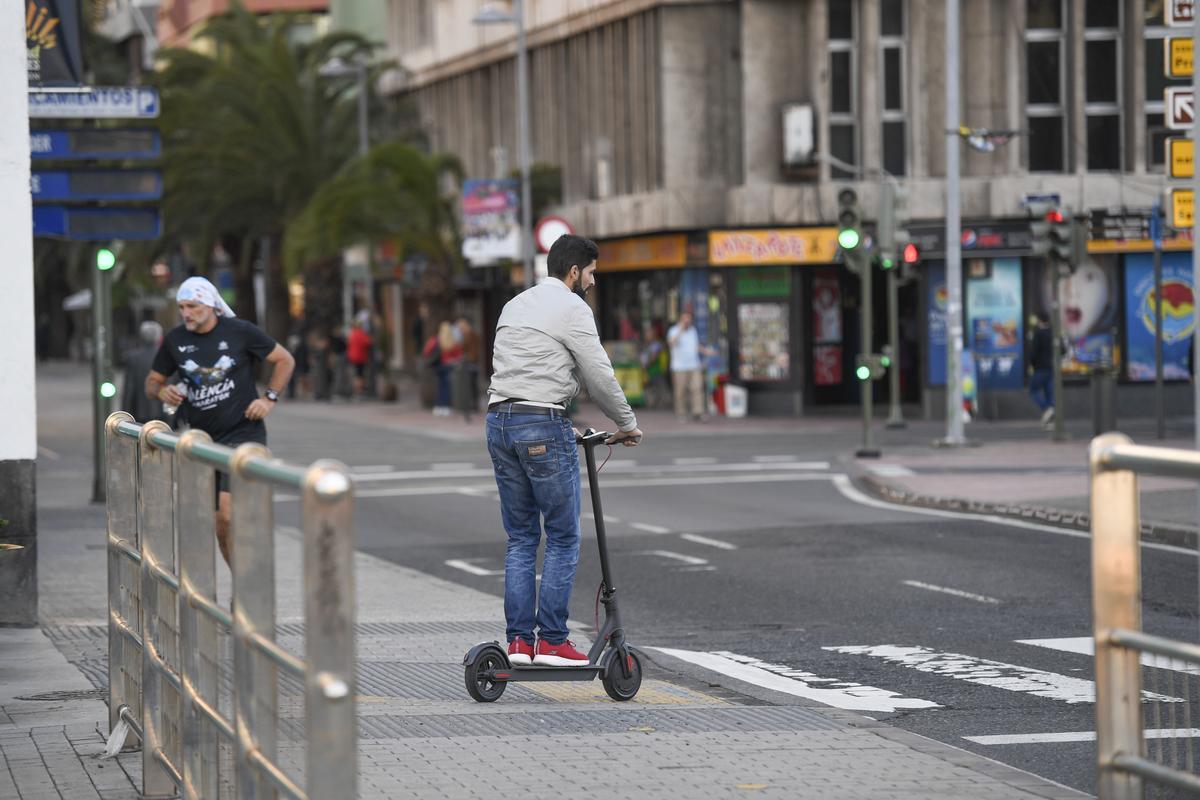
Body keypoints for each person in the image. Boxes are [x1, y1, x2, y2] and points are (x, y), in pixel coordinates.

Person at [486, 234, 643, 667]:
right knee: (562, 536)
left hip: (499, 421)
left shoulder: (515, 304)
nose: (592, 281)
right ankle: (553, 639)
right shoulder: (574, 307)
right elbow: (599, 374)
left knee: (520, 537)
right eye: (591, 272)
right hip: (541, 422)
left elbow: (524, 366)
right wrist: (626, 424)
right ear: (574, 271)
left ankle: (519, 643)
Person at [145, 277, 295, 566]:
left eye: (192, 306)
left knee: (227, 511)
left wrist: (268, 399)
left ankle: (250, 585)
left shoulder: (240, 331)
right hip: (203, 441)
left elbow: (285, 359)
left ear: (211, 305)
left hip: (244, 433)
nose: (186, 313)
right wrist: (162, 390)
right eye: (182, 307)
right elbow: (151, 383)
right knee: (220, 525)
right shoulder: (176, 340)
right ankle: (243, 585)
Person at [667, 309, 716, 422]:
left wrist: (706, 351)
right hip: (679, 367)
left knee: (697, 388)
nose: (687, 321)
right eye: (685, 318)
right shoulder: (674, 330)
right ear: (681, 319)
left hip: (694, 365)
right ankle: (681, 413)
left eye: (689, 319)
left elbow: (695, 346)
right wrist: (681, 329)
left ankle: (697, 412)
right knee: (681, 391)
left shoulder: (693, 330)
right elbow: (672, 343)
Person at [121, 320, 170, 425]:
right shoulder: (168, 356)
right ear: (159, 337)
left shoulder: (132, 358)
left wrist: (125, 415)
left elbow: (129, 389)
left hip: (139, 413)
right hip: (163, 413)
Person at [424, 321, 462, 416]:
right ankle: (445, 407)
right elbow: (458, 355)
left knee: (440, 387)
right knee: (446, 387)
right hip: (447, 367)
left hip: (437, 367)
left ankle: (438, 407)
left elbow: (426, 351)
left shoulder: (435, 340)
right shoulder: (451, 340)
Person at [1028, 311, 1055, 426]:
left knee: (1033, 390)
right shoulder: (1053, 332)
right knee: (1049, 392)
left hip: (1040, 367)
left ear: (1039, 321)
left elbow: (1034, 352)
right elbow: (1062, 350)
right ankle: (1050, 420)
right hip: (1050, 367)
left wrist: (1032, 363)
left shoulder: (1038, 333)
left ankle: (1046, 409)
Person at [347, 311, 374, 399]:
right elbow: (368, 343)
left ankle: (356, 391)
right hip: (360, 357)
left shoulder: (352, 333)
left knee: (356, 374)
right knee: (360, 375)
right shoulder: (360, 334)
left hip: (352, 356)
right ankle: (359, 392)